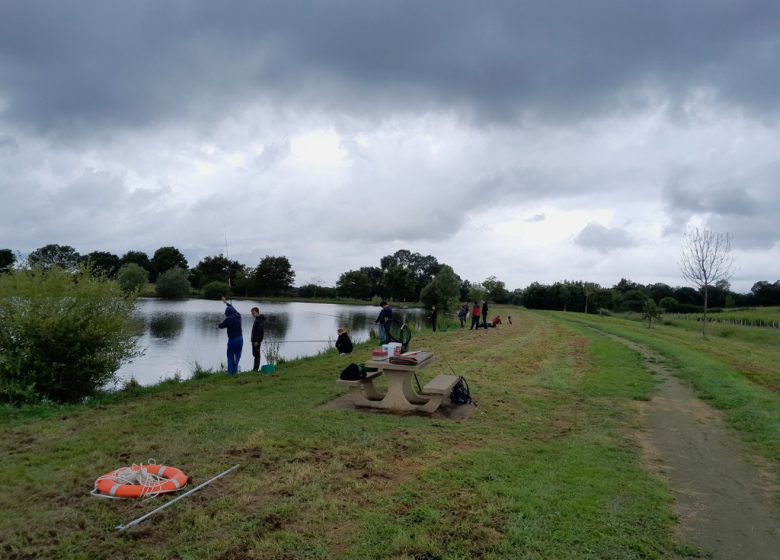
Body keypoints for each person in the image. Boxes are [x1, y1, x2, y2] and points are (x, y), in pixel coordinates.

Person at [218, 296, 243, 374]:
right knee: (238, 356)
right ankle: (235, 371)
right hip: (240, 339)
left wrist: (219, 323)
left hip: (233, 340)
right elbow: (232, 308)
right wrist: (226, 302)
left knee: (230, 356)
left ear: (227, 314)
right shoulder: (239, 316)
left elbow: (221, 326)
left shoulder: (228, 319)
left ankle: (230, 373)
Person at [250, 306, 265, 371]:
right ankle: (255, 368)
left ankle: (255, 369)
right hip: (254, 340)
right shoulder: (257, 319)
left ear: (257, 312)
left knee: (257, 355)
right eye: (252, 313)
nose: (252, 314)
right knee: (255, 354)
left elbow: (261, 332)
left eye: (253, 313)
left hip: (256, 341)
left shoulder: (259, 320)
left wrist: (257, 341)